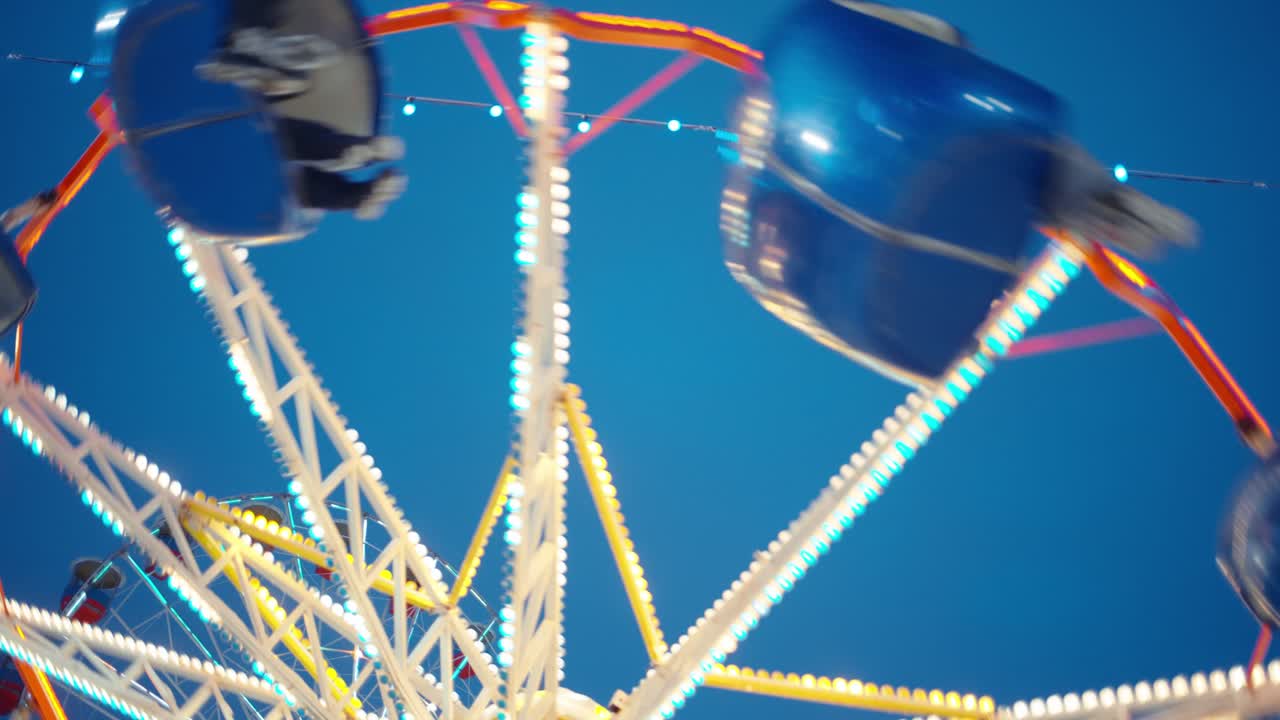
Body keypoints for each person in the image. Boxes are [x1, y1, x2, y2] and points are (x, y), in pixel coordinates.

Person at [194, 0, 408, 221]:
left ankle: (349, 169)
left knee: (276, 148)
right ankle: (347, 161)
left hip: (222, 148)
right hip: (225, 146)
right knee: (279, 146)